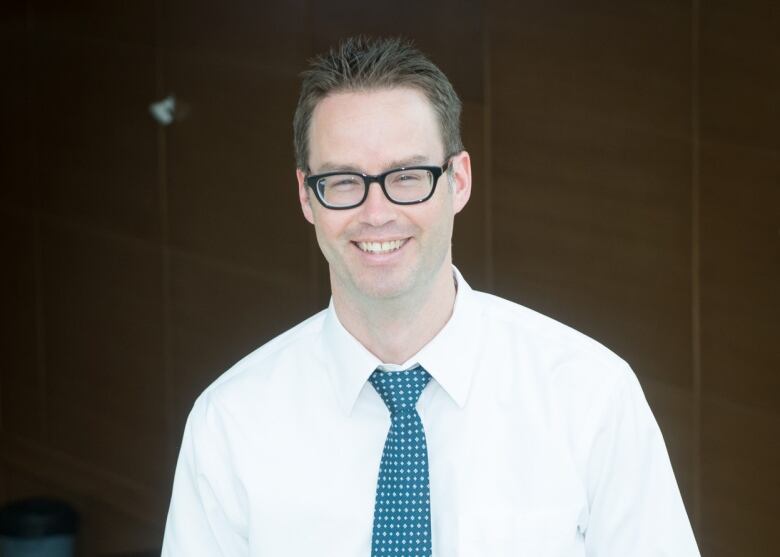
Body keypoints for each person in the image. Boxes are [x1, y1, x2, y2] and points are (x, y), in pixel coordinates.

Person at [161, 36, 700, 556]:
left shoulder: (589, 396)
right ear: (307, 196)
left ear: (458, 181)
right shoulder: (230, 422)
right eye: (344, 181)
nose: (376, 212)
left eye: (408, 175)